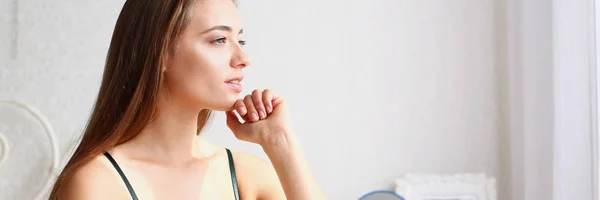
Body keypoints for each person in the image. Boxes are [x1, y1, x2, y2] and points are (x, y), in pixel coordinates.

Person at [48, 0, 325, 199]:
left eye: (239, 41)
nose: (242, 59)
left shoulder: (246, 177)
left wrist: (281, 143)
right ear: (160, 52)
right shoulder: (98, 183)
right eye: (219, 40)